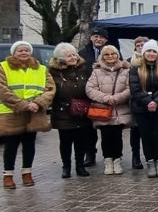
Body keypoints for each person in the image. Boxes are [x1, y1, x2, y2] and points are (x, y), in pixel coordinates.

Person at [0, 41, 56, 189]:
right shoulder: (3, 67)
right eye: (20, 50)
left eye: (26, 50)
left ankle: (27, 172)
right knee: (11, 145)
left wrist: (38, 103)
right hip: (11, 112)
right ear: (13, 53)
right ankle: (8, 175)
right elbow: (1, 90)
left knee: (29, 144)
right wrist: (23, 104)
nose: (23, 53)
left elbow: (50, 88)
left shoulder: (41, 69)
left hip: (34, 111)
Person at [86, 44, 132, 176]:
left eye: (113, 54)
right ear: (102, 56)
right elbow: (90, 89)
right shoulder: (96, 71)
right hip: (103, 109)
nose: (110, 56)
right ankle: (108, 161)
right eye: (107, 54)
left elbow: (130, 89)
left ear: (118, 55)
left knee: (117, 136)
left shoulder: (125, 70)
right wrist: (106, 98)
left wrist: (116, 98)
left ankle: (117, 160)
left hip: (119, 109)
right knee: (105, 137)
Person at [129, 40, 158, 178]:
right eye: (148, 51)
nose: (151, 54)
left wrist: (156, 102)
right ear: (143, 53)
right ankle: (150, 163)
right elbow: (135, 89)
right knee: (146, 137)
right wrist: (148, 102)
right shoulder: (135, 69)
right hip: (142, 109)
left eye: (154, 51)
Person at [49, 43, 93, 179]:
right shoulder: (54, 72)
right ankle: (66, 166)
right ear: (60, 58)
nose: (73, 57)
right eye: (69, 56)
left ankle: (80, 165)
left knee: (81, 140)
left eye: (74, 54)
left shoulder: (83, 69)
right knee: (66, 141)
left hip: (82, 110)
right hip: (63, 111)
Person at [77, 26, 115, 167]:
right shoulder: (82, 53)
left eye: (101, 37)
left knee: (107, 128)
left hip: (107, 95)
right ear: (91, 38)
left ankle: (110, 156)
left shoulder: (112, 52)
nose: (98, 39)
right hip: (88, 95)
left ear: (106, 39)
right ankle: (90, 154)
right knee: (88, 129)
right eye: (96, 36)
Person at [128, 36, 148, 169]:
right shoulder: (129, 62)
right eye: (138, 45)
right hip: (135, 101)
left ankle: (150, 156)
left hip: (152, 100)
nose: (140, 46)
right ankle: (136, 156)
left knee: (149, 131)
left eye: (143, 44)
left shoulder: (155, 60)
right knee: (135, 131)